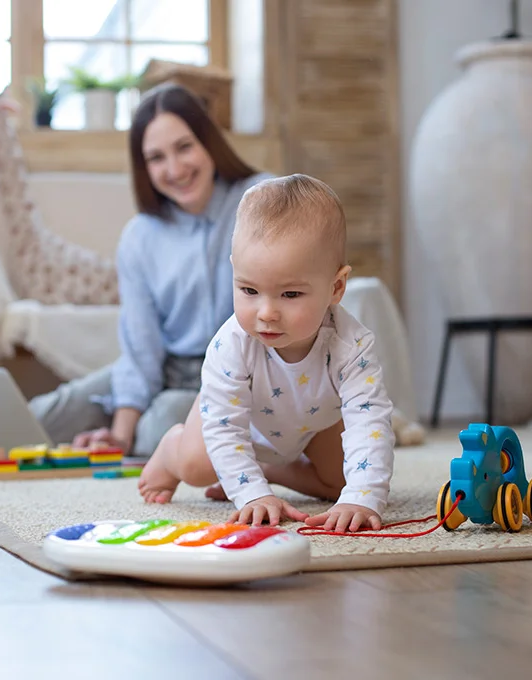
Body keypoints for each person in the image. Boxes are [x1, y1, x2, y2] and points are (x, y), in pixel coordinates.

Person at [137, 174, 396, 533]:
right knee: (197, 466)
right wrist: (251, 494)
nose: (266, 312)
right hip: (235, 418)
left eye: (290, 295)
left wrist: (363, 498)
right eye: (249, 290)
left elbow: (369, 423)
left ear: (336, 287)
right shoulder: (232, 344)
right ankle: (170, 451)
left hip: (313, 422)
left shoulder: (350, 346)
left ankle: (272, 470)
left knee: (342, 484)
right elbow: (225, 428)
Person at [28, 83, 273, 456]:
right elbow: (141, 347)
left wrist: (130, 434)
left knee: (160, 426)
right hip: (167, 370)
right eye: (156, 158)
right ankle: (119, 433)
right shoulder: (140, 236)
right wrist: (122, 432)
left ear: (209, 141)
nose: (174, 169)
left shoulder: (261, 199)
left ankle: (135, 435)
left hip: (239, 374)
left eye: (184, 147)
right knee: (42, 417)